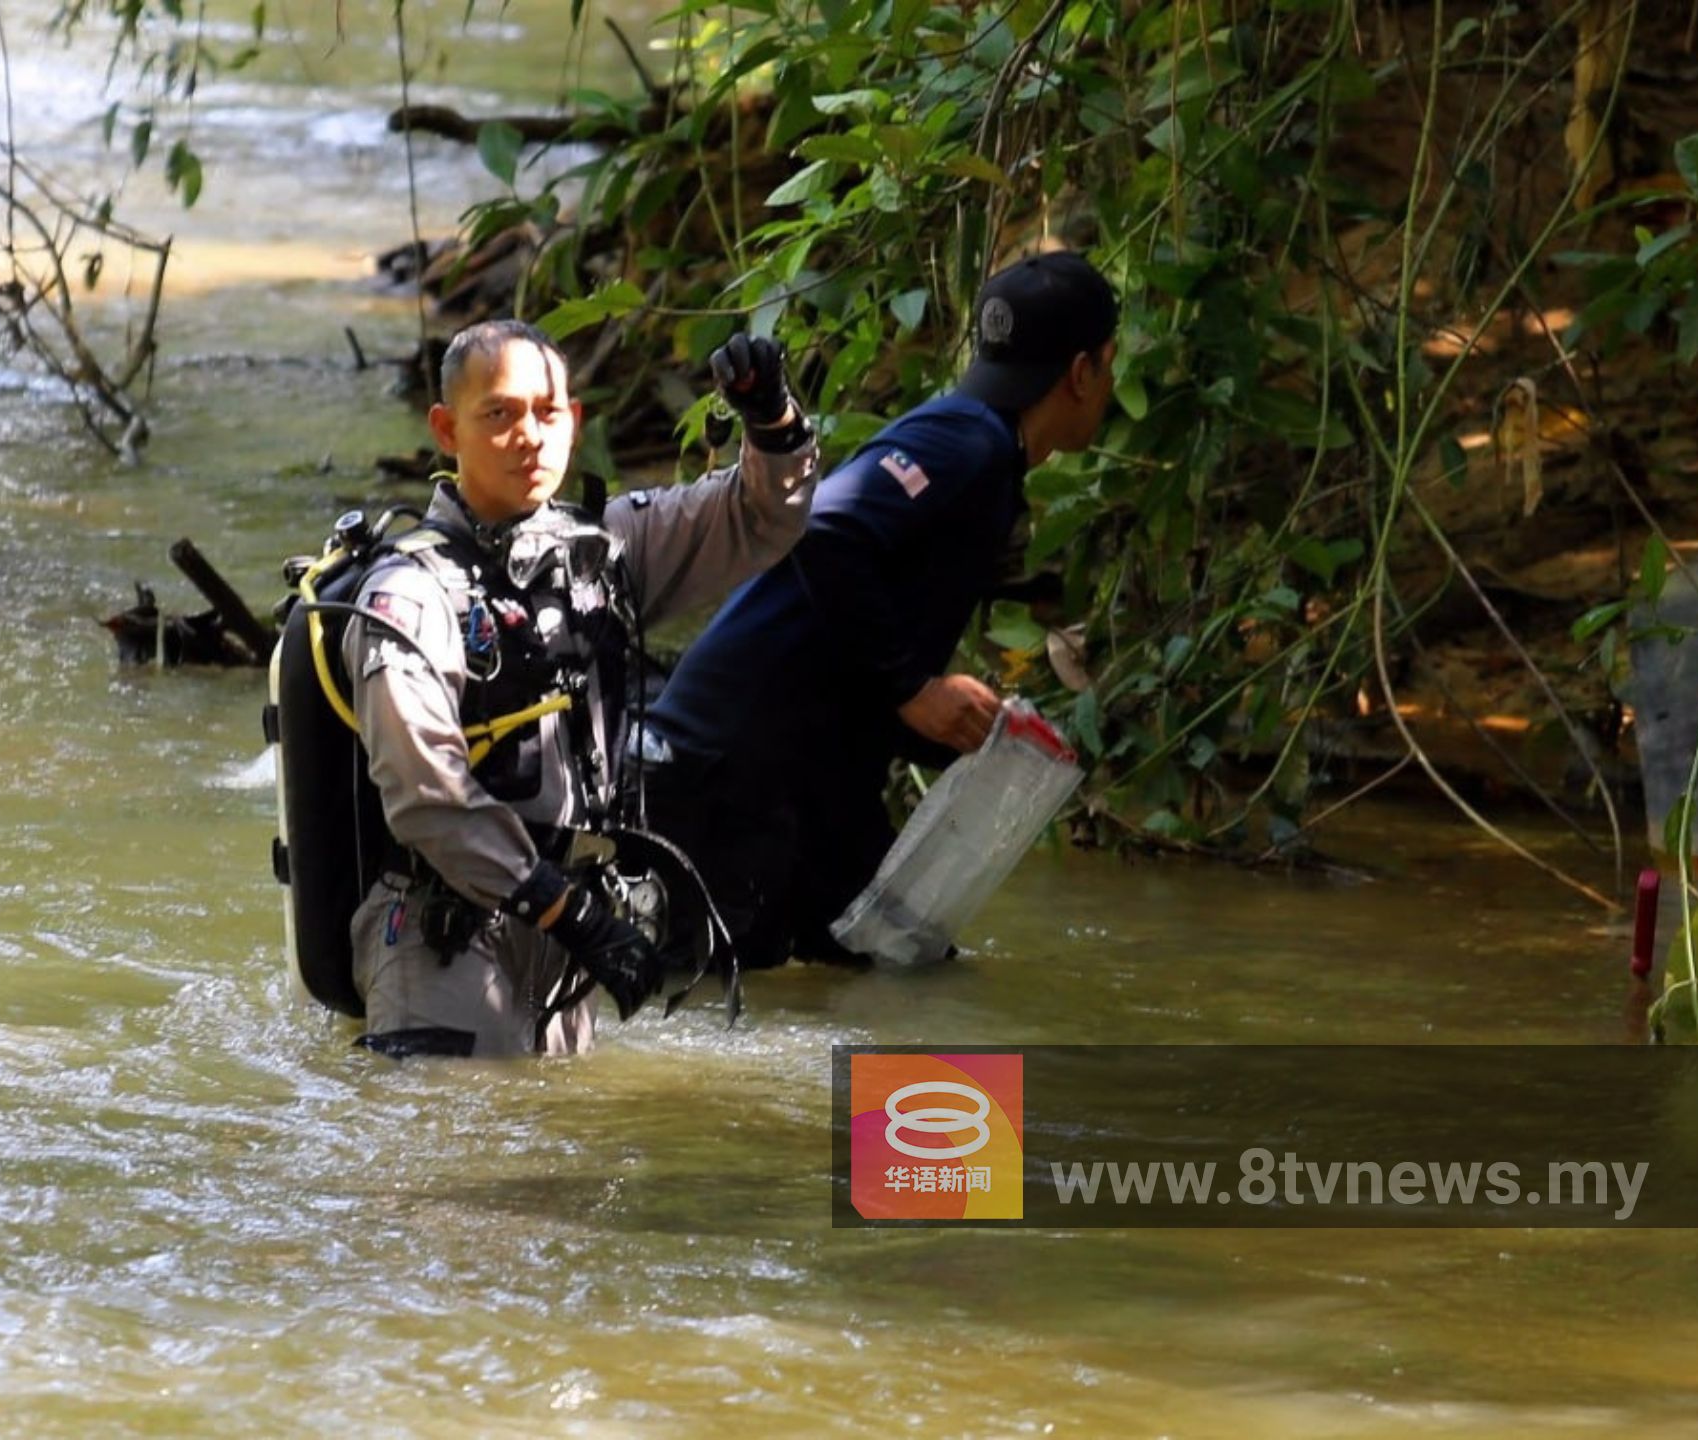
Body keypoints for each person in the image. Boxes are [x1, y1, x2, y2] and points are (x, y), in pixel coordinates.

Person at [341, 319, 818, 1057]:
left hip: (567, 937)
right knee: (451, 1167)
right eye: (498, 414)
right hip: (448, 938)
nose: (528, 435)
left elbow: (760, 518)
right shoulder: (409, 593)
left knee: (559, 1168)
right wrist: (576, 916)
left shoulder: (606, 551)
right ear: (445, 430)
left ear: (576, 420)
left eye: (546, 412)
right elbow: (423, 794)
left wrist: (774, 420)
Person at [642, 250, 1120, 971]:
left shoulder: (979, 449)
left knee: (908, 973)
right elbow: (826, 530)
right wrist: (913, 687)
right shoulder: (970, 443)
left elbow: (850, 625)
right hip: (732, 772)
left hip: (803, 780)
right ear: (1082, 373)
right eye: (1110, 364)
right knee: (713, 1005)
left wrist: (955, 727)